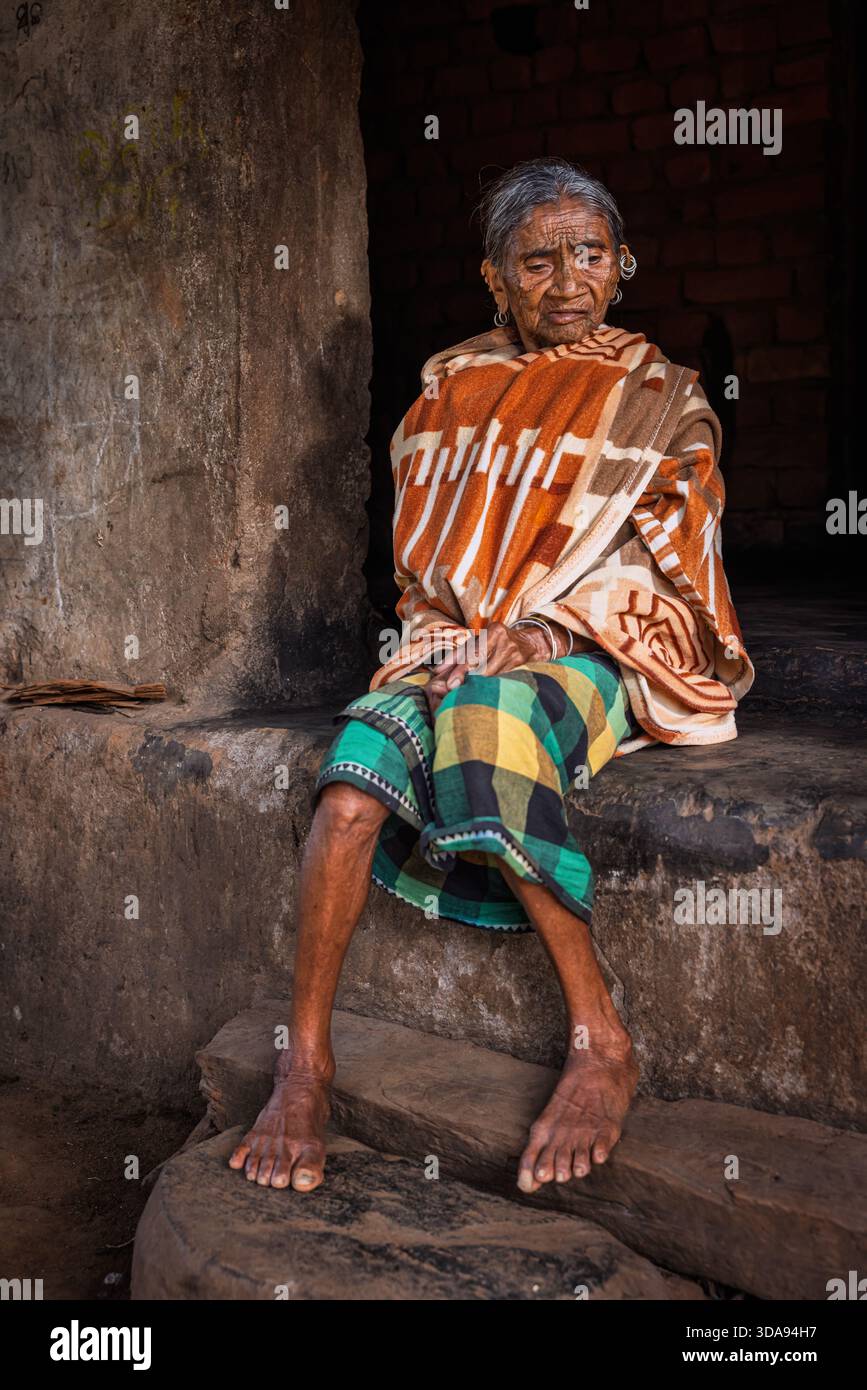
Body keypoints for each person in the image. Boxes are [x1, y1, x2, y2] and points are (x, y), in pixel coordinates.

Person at [229, 157, 753, 1195]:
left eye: (592, 255)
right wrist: (443, 636)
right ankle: (308, 1064)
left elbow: (677, 578)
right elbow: (425, 567)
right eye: (540, 260)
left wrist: (540, 637)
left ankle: (601, 1036)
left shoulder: (663, 398)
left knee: (487, 720)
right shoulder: (447, 391)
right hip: (454, 643)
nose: (570, 281)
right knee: (347, 792)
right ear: (495, 279)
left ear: (624, 266)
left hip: (599, 651)